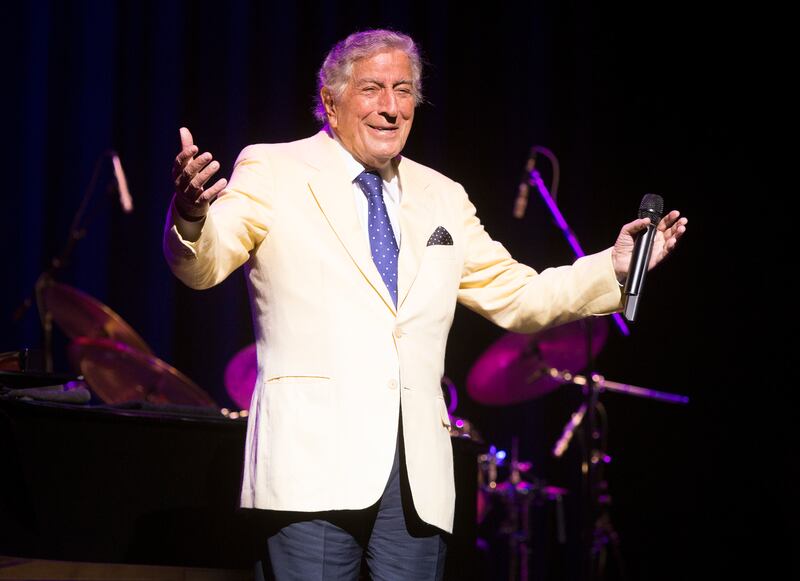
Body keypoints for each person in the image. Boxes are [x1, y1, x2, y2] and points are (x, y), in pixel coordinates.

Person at [163, 29, 687, 581]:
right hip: (310, 468)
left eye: (404, 90)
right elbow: (204, 265)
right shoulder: (274, 170)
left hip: (416, 482)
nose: (390, 107)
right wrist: (192, 216)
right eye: (372, 89)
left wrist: (614, 266)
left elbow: (520, 296)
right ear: (331, 100)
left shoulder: (443, 195)